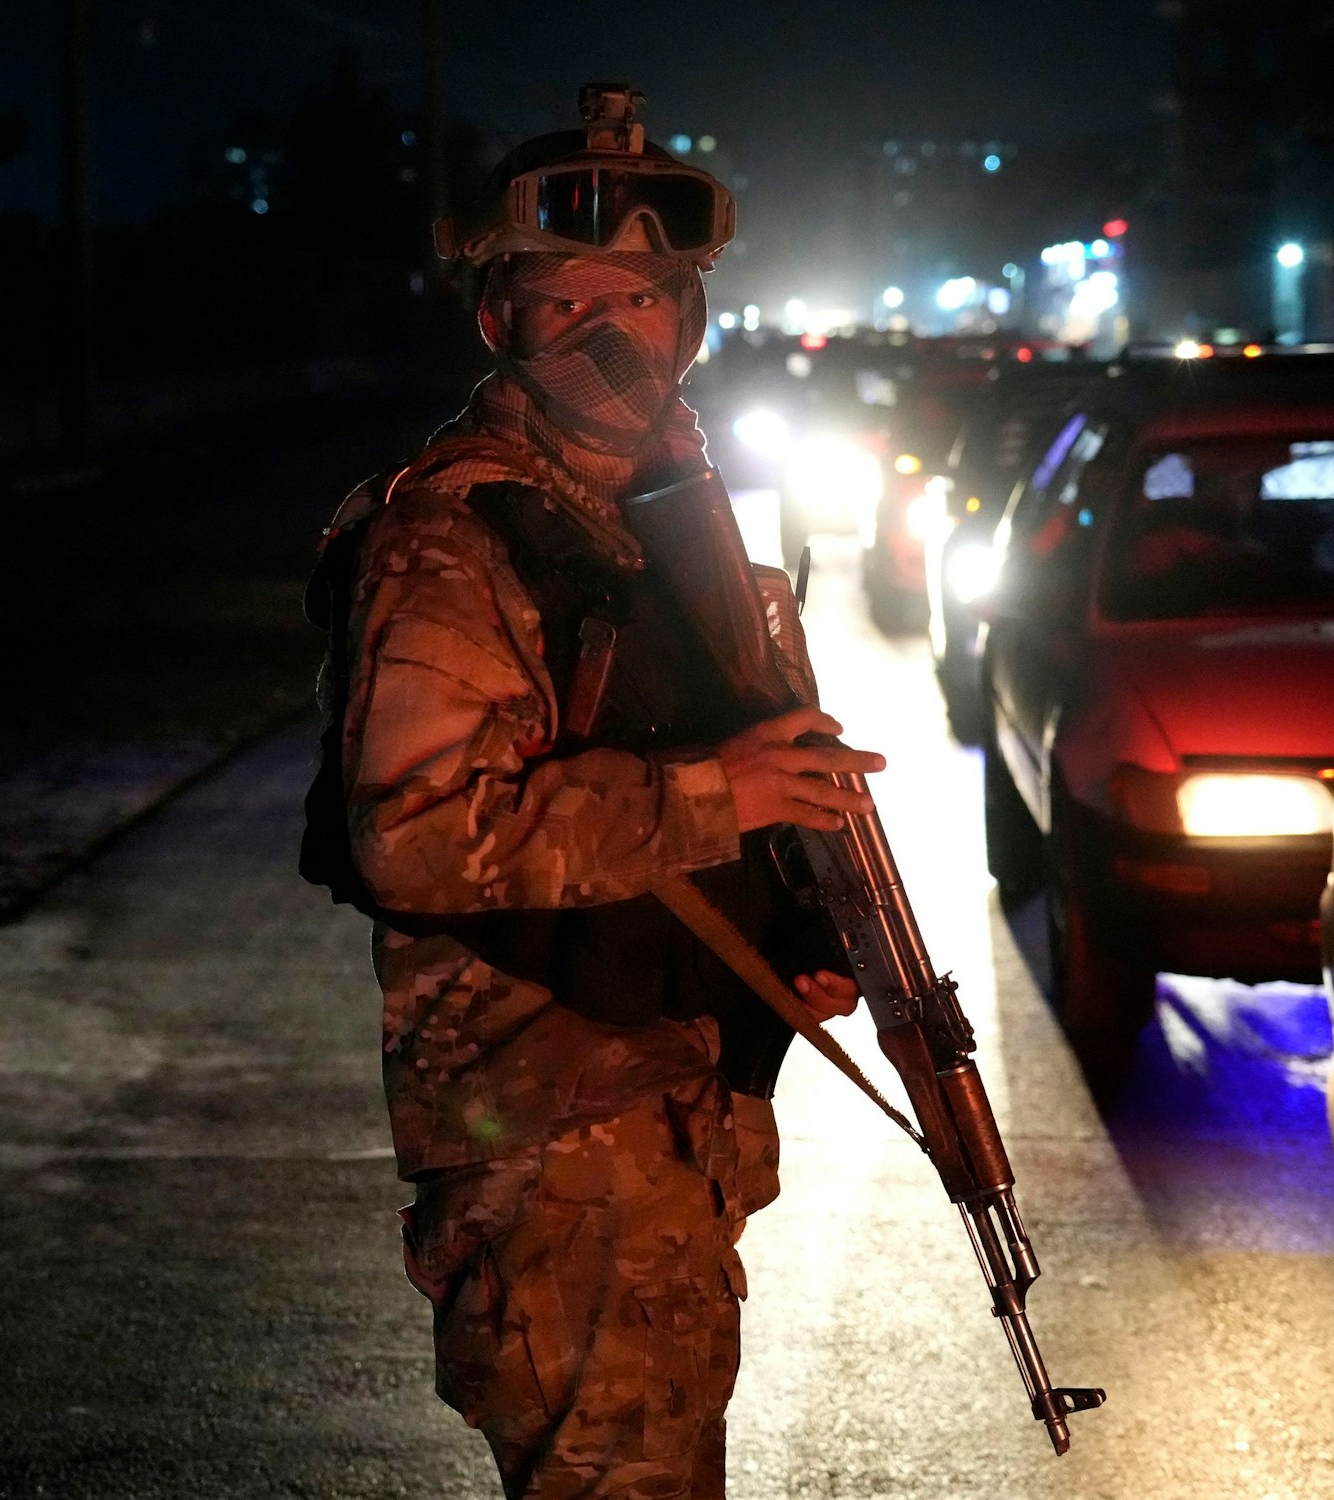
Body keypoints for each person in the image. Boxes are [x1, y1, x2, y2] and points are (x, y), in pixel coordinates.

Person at [308, 83, 883, 1498]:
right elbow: (419, 834)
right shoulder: (452, 537)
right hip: (553, 1147)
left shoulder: (669, 519)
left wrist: (794, 941)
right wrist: (713, 797)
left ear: (688, 322)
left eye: (638, 299)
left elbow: (745, 779)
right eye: (564, 302)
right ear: (499, 320)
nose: (606, 333)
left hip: (668, 1122)